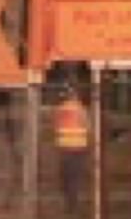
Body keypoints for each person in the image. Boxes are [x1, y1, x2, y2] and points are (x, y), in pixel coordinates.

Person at [54, 82, 93, 217]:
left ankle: (70, 203)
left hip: (64, 147)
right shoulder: (81, 109)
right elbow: (88, 128)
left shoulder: (60, 109)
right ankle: (72, 205)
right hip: (78, 147)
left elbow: (56, 127)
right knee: (74, 178)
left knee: (66, 177)